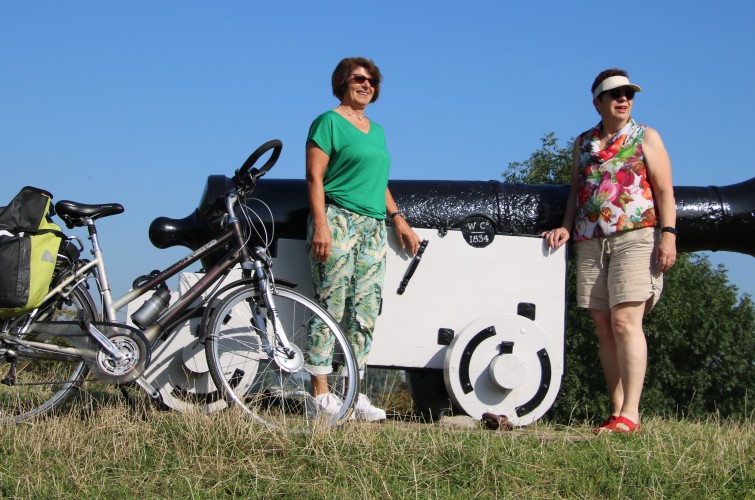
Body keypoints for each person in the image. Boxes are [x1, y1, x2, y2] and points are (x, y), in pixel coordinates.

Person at [542, 69, 676, 433]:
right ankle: (616, 410)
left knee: (625, 322)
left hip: (635, 237)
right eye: (615, 94)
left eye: (628, 94)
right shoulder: (584, 142)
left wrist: (669, 234)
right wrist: (567, 227)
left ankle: (631, 414)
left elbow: (664, 190)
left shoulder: (645, 136)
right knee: (603, 326)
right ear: (597, 102)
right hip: (590, 240)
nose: (623, 99)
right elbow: (576, 192)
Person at [305, 57, 421, 421]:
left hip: (372, 227)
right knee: (332, 303)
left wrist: (398, 218)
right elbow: (314, 177)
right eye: (358, 79)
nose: (366, 85)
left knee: (365, 310)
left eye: (371, 81)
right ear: (342, 82)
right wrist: (321, 225)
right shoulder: (328, 122)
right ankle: (319, 394)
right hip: (338, 218)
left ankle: (352, 393)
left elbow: (378, 181)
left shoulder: (378, 130)